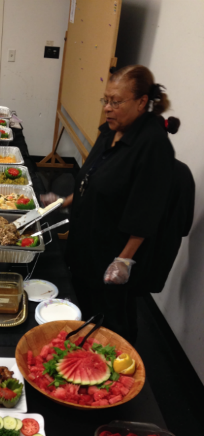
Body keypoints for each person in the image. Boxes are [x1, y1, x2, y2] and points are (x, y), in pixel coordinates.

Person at [41, 65, 181, 344]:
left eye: (116, 102)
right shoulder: (112, 131)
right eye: (105, 100)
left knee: (110, 323)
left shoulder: (152, 145)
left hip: (112, 251)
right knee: (84, 309)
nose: (107, 108)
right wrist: (64, 202)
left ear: (142, 102)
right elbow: (92, 182)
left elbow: (147, 211)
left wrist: (123, 261)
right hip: (87, 241)